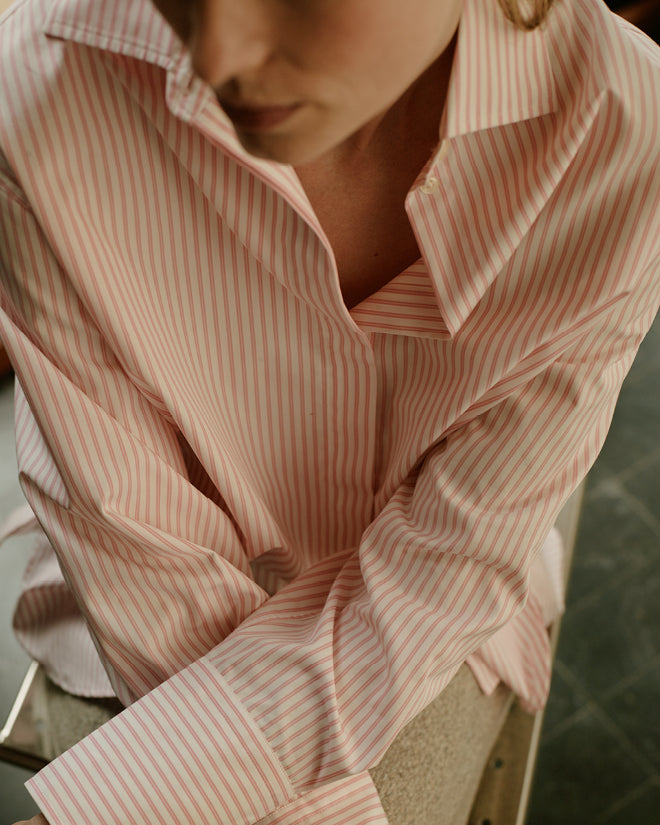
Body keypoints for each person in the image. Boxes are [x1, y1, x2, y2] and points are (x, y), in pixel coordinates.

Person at [1, 0, 658, 822]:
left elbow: (444, 570)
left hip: (433, 620)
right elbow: (139, 568)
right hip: (129, 620)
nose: (215, 59)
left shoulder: (627, 140)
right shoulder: (38, 88)